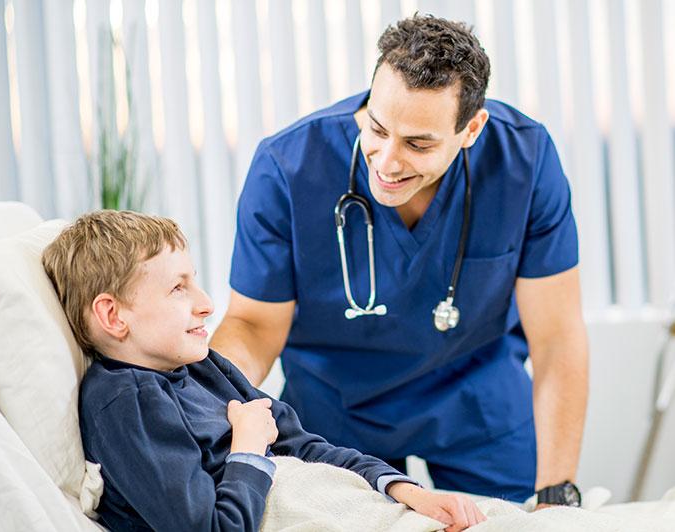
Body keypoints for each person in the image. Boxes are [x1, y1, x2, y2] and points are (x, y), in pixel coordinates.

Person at [211, 14, 589, 506]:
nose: (387, 162)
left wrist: (557, 491)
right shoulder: (288, 168)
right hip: (335, 405)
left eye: (418, 144)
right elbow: (254, 325)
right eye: (377, 128)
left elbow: (557, 337)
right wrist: (202, 396)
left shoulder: (524, 160)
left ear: (470, 129)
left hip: (476, 399)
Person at [41, 210, 485, 532]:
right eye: (178, 287)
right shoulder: (126, 403)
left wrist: (403, 490)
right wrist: (249, 446)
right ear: (114, 316)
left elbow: (302, 444)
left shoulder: (203, 368)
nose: (206, 303)